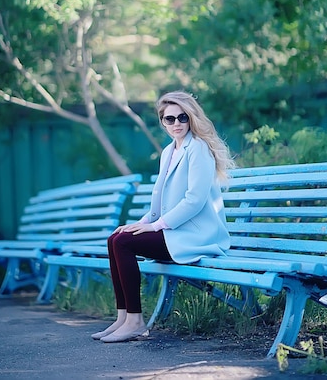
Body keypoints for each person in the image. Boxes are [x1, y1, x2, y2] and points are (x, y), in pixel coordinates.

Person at [91, 90, 235, 343]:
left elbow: (194, 200)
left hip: (197, 235)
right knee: (117, 237)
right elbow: (162, 202)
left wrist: (157, 226)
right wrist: (144, 222)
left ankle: (136, 322)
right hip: (175, 230)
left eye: (182, 118)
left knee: (123, 243)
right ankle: (123, 317)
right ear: (162, 122)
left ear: (191, 119)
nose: (177, 124)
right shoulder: (169, 151)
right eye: (170, 119)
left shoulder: (198, 149)